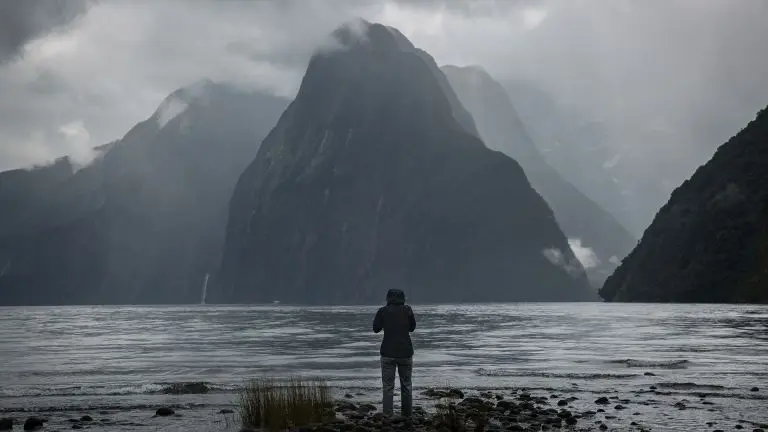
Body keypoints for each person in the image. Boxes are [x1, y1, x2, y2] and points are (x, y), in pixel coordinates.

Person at [373, 288, 416, 418]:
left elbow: (376, 329)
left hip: (387, 353)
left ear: (388, 298)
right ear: (403, 298)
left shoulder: (382, 311)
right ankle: (407, 415)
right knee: (406, 385)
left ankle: (387, 415)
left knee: (388, 386)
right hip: (405, 353)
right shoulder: (408, 310)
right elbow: (412, 328)